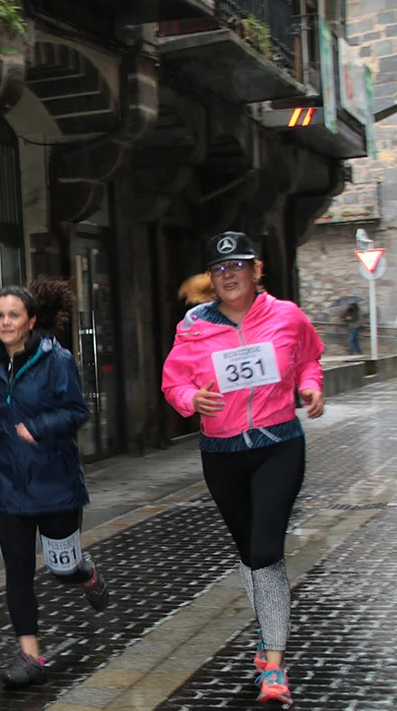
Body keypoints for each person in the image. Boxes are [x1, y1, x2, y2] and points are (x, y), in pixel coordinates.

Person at [161, 232, 325, 706]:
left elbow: (309, 358)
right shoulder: (194, 326)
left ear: (257, 271)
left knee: (265, 550)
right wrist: (192, 399)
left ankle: (274, 666)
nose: (228, 274)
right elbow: (173, 381)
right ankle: (268, 630)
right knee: (249, 552)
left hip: (278, 446)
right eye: (219, 269)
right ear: (211, 280)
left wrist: (311, 386)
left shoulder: (286, 315)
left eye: (237, 265)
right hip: (222, 453)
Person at [0, 277, 110, 689]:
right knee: (18, 572)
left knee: (62, 569)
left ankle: (85, 573)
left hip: (55, 484)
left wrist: (39, 427)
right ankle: (30, 655)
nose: (5, 322)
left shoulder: (57, 360)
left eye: (14, 315)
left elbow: (77, 411)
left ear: (31, 321)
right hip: (8, 485)